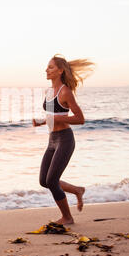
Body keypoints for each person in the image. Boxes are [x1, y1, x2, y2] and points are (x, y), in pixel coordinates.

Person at [32, 54, 95, 225]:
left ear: (60, 71)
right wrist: (42, 122)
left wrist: (58, 120)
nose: (47, 70)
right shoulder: (49, 91)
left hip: (65, 140)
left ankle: (67, 217)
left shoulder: (65, 91)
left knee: (52, 180)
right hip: (52, 140)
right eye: (47, 67)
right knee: (44, 181)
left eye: (51, 67)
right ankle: (77, 190)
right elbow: (54, 115)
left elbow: (80, 119)